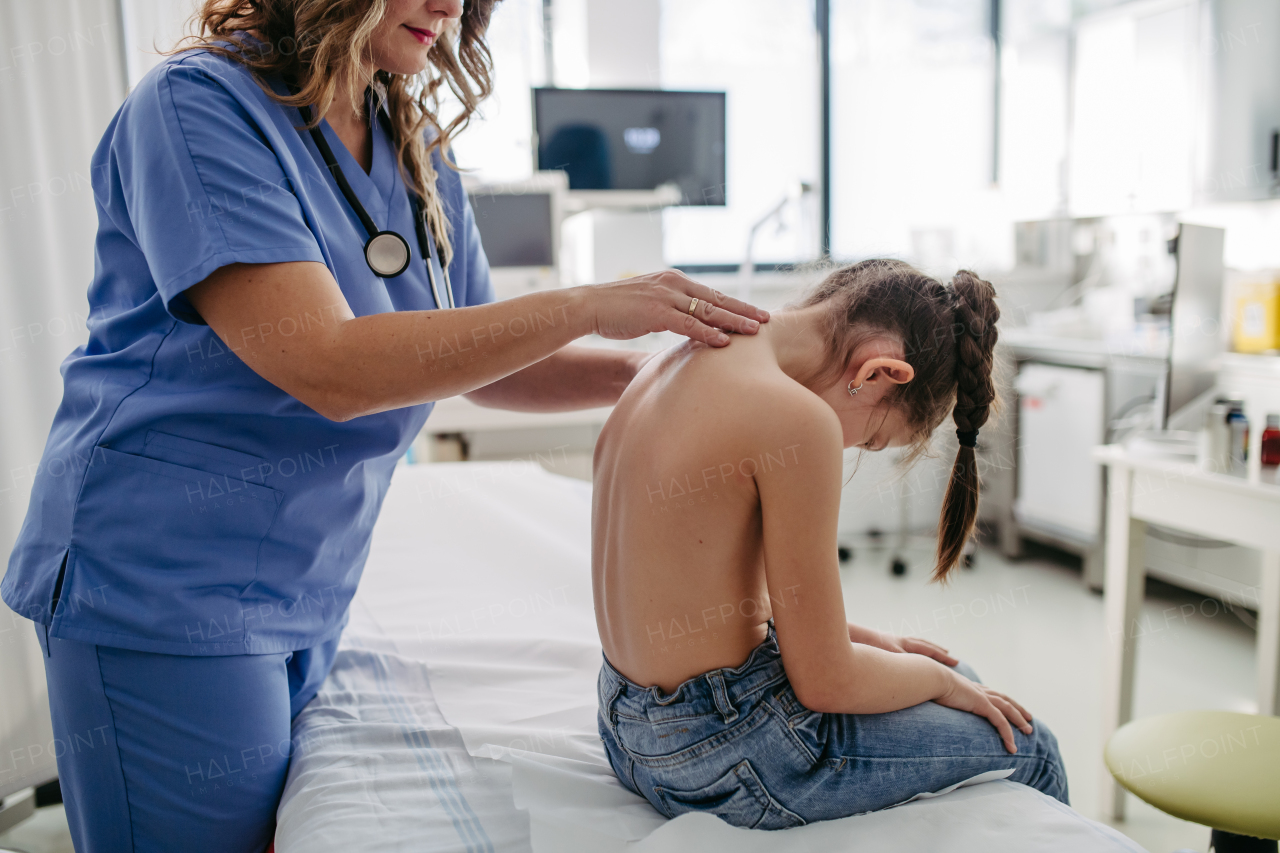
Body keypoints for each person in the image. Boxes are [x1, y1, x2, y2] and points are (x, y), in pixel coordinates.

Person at [0, 1, 768, 849]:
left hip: (305, 585)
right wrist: (589, 303)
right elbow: (328, 363)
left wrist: (664, 376)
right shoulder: (199, 107)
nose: (452, 6)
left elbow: (480, 356)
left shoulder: (411, 145)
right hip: (162, 581)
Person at [591, 259, 1068, 829]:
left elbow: (721, 600)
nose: (851, 449)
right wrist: (939, 680)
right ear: (879, 374)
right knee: (1032, 747)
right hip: (728, 751)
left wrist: (874, 641)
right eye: (871, 439)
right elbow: (827, 681)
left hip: (628, 732)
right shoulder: (796, 420)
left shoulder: (673, 359)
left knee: (960, 674)